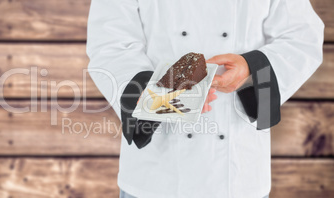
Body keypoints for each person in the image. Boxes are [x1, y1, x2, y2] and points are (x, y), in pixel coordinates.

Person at [86, 0, 324, 197]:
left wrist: (251, 69)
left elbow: (302, 37)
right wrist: (156, 98)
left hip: (237, 176)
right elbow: (110, 44)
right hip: (155, 176)